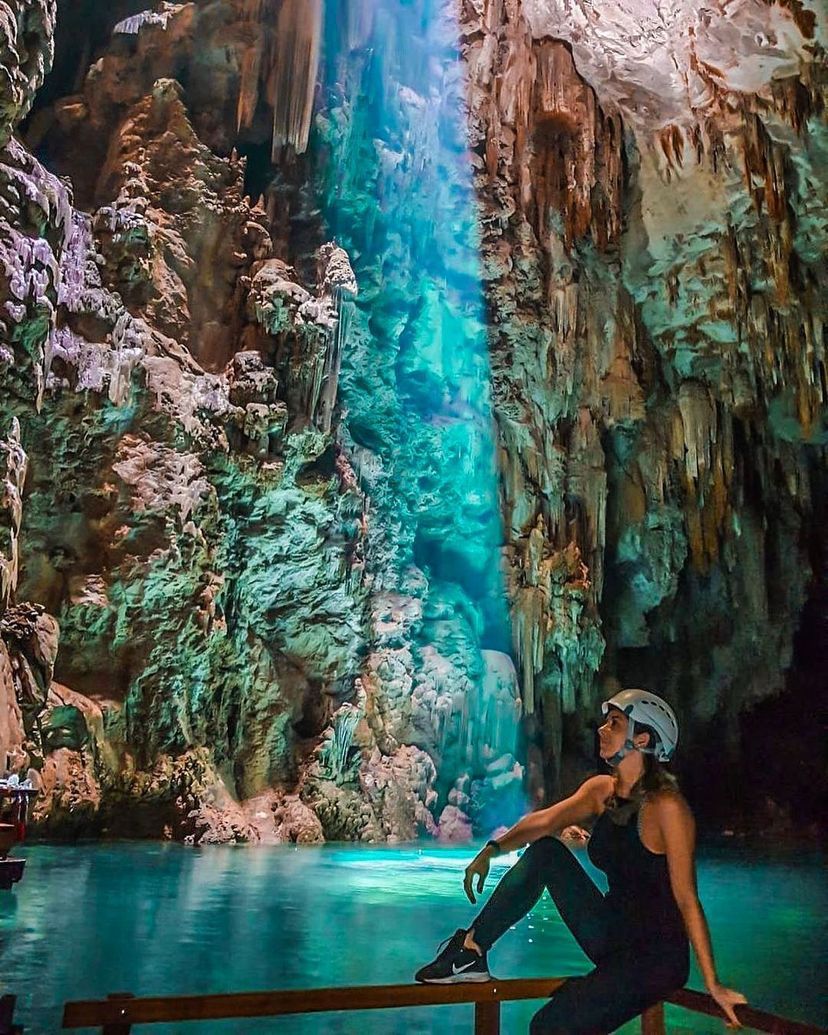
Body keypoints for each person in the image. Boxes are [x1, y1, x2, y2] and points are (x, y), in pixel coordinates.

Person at [415, 688, 747, 1033]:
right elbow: (545, 821)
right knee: (546, 852)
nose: (602, 729)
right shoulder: (602, 790)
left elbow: (687, 899)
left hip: (655, 957)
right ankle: (471, 950)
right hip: (612, 935)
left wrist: (713, 984)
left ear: (643, 737)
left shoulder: (668, 808)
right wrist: (492, 849)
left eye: (615, 723)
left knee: (548, 1027)